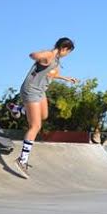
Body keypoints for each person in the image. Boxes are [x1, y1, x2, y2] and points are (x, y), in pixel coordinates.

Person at [16, 37, 78, 175]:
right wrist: (38, 56)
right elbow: (33, 55)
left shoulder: (56, 60)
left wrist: (65, 78)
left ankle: (19, 109)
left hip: (40, 91)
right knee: (35, 126)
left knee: (44, 115)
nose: (67, 55)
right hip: (31, 90)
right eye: (68, 52)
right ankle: (22, 159)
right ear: (64, 48)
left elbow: (50, 74)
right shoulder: (50, 55)